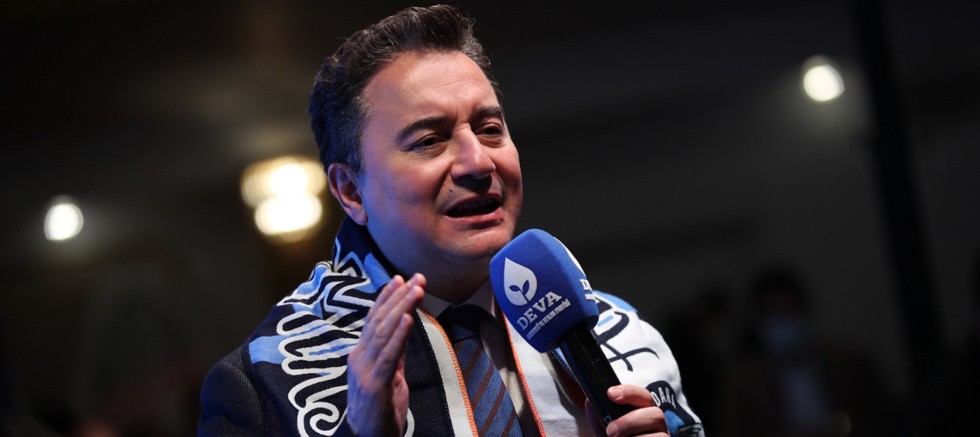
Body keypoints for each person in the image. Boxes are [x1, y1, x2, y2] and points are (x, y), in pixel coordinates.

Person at [198, 5, 703, 437]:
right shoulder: (263, 386)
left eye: (490, 129)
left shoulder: (622, 337)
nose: (478, 162)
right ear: (351, 190)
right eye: (429, 141)